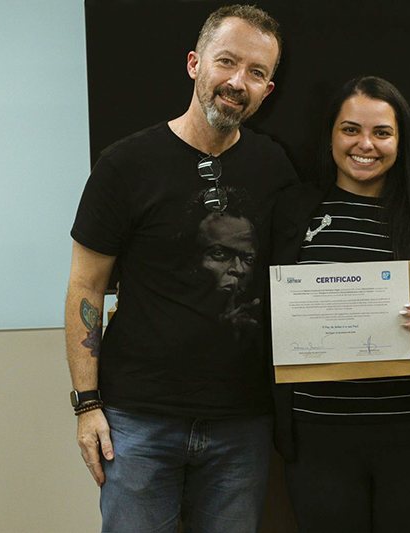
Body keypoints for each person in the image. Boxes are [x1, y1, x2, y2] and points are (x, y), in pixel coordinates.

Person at [64, 5, 297, 532]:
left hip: (243, 422)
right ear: (195, 63)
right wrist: (87, 406)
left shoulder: (274, 167)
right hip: (137, 420)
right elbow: (86, 286)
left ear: (268, 90)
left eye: (256, 73)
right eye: (227, 62)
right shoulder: (125, 164)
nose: (238, 82)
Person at [270, 76, 410, 533]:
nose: (365, 144)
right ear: (329, 135)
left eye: (382, 133)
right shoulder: (291, 211)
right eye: (350, 129)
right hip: (316, 441)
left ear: (401, 142)